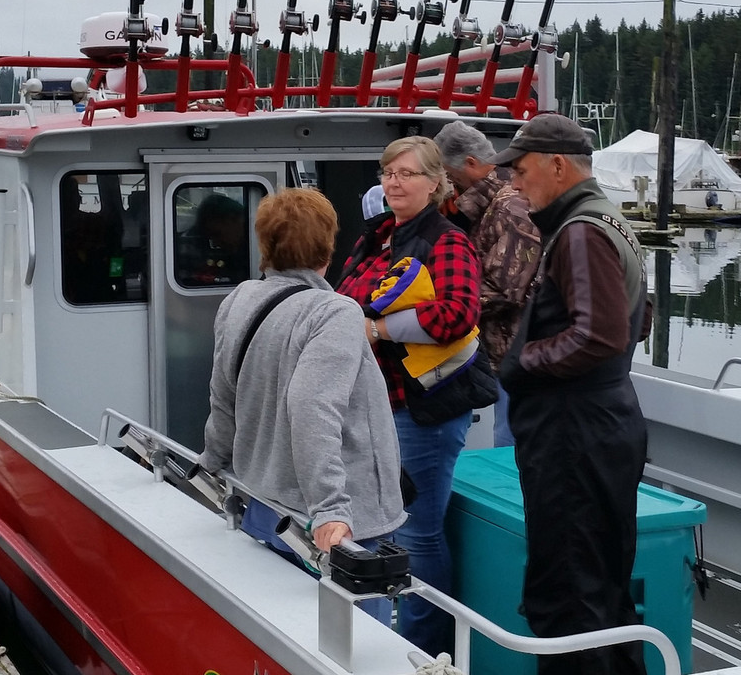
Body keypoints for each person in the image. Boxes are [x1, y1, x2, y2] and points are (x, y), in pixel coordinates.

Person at [489, 114, 651, 675]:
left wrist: (522, 361)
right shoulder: (610, 220)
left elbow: (600, 335)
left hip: (574, 437)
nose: (513, 182)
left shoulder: (579, 230)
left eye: (521, 169)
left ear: (558, 165)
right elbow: (639, 320)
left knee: (568, 596)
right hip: (604, 425)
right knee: (604, 586)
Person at [197, 187, 405, 623]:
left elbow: (223, 394)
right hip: (332, 529)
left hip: (264, 505)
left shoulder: (239, 300)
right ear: (328, 249)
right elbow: (312, 406)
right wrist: (330, 507)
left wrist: (212, 460)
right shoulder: (335, 312)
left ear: (265, 245)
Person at [336, 136, 481, 657]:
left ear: (435, 182)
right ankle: (389, 632)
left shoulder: (447, 241)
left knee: (419, 533)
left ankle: (425, 648)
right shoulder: (376, 235)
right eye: (388, 173)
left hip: (421, 409)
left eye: (407, 173)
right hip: (370, 403)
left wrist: (377, 332)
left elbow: (459, 314)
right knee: (375, 525)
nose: (394, 182)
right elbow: (342, 298)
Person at [434, 120, 541, 447]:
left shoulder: (511, 206)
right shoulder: (491, 205)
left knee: (510, 448)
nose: (448, 186)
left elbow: (506, 287)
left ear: (470, 164)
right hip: (501, 355)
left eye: (448, 176)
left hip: (516, 359)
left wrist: (440, 311)